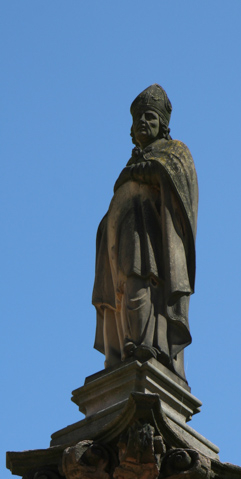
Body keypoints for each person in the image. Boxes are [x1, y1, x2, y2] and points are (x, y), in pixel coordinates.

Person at [92, 84, 198, 382]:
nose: (142, 122)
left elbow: (177, 185)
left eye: (150, 117)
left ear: (162, 124)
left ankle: (149, 344)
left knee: (143, 281)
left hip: (150, 237)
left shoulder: (175, 152)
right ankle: (127, 345)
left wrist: (138, 172)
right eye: (138, 118)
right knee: (125, 287)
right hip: (123, 236)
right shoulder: (131, 162)